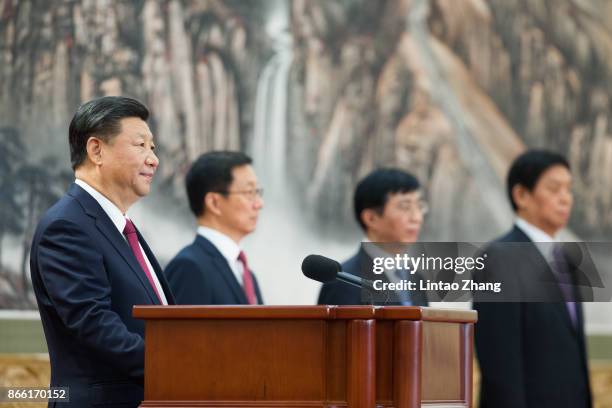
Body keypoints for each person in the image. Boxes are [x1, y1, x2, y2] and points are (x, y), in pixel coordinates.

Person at [30, 96, 175, 408]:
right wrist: (178, 371)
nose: (153, 159)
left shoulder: (120, 228)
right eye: (141, 145)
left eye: (153, 147)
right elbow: (95, 325)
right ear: (96, 150)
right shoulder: (66, 227)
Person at [474, 149, 592, 408]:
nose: (566, 199)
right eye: (554, 189)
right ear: (521, 195)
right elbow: (499, 364)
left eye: (568, 190)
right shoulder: (498, 259)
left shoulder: (567, 260)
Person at [165, 151, 264, 305]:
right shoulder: (189, 268)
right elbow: (180, 330)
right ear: (214, 203)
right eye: (249, 192)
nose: (259, 204)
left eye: (258, 192)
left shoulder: (247, 275)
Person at [318, 168, 428, 306]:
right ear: (371, 218)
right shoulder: (343, 281)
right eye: (405, 207)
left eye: (419, 206)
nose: (417, 218)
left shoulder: (416, 279)